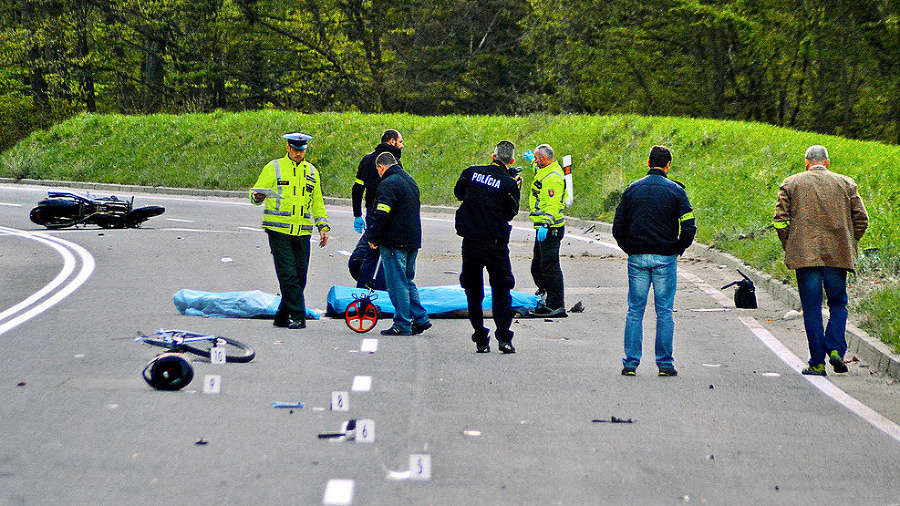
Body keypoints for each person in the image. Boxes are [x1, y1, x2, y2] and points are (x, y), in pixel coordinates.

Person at [774, 145, 868, 376]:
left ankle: (817, 362)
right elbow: (862, 219)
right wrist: (850, 241)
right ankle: (835, 348)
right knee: (838, 304)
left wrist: (790, 244)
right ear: (827, 162)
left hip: (805, 258)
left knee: (812, 309)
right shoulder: (846, 184)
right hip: (838, 255)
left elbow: (779, 220)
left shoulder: (791, 183)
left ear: (806, 162)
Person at [612, 145, 696, 377]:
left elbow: (617, 227)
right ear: (668, 166)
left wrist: (629, 248)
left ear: (648, 163)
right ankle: (665, 364)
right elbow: (689, 226)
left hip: (637, 256)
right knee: (665, 311)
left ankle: (631, 363)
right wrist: (678, 248)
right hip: (665, 257)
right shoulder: (676, 191)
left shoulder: (632, 190)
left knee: (635, 311)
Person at [250, 132, 330, 329]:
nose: (298, 154)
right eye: (295, 150)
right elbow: (255, 194)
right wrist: (258, 197)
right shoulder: (273, 167)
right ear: (288, 148)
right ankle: (298, 315)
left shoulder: (312, 171)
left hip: (302, 231)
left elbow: (317, 202)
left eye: (301, 150)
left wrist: (323, 226)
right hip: (278, 229)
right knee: (288, 274)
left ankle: (281, 315)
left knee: (300, 276)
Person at [455, 141, 523, 354]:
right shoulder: (510, 184)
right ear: (511, 161)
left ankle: (480, 338)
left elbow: (459, 193)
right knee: (501, 289)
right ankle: (504, 338)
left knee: (473, 291)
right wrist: (514, 186)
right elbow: (510, 212)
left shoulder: (471, 172)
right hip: (495, 244)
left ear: (493, 156)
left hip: (471, 242)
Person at [366, 152, 431, 336]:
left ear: (381, 167)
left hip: (394, 241)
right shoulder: (410, 181)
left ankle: (402, 323)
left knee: (397, 284)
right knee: (408, 280)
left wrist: (374, 237)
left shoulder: (388, 184)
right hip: (412, 240)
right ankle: (420, 318)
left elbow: (381, 213)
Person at [348, 129, 404, 290]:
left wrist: (357, 213)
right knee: (387, 255)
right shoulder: (393, 162)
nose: (402, 145)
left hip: (371, 212)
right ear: (392, 142)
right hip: (387, 214)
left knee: (370, 255)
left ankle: (362, 293)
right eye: (400, 142)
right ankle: (380, 293)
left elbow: (357, 188)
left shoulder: (366, 159)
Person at [523, 143, 567, 317]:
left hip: (550, 228)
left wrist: (546, 224)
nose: (534, 160)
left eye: (536, 157)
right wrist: (532, 163)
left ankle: (556, 304)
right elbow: (539, 172)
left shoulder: (553, 178)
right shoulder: (545, 170)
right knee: (538, 266)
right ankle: (545, 296)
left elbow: (552, 204)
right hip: (542, 226)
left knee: (550, 268)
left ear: (544, 158)